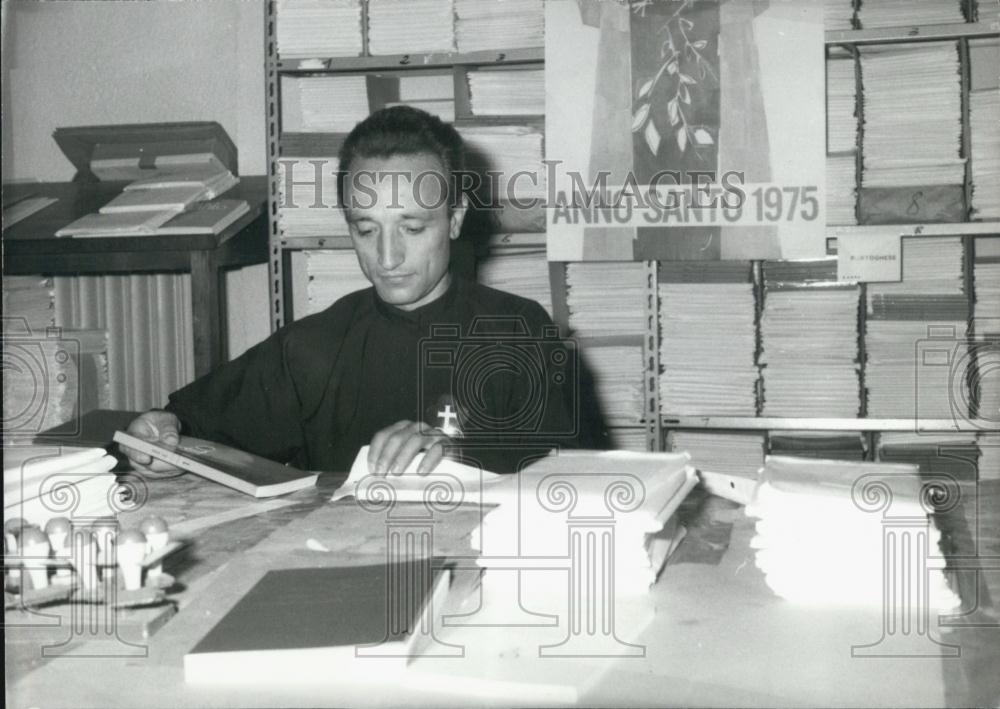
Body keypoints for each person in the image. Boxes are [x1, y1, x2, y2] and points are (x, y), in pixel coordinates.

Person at [122, 106, 600, 478]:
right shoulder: (313, 346)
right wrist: (162, 436)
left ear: (454, 220)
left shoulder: (520, 334)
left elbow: (571, 477)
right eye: (366, 229)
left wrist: (457, 457)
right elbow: (190, 424)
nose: (387, 258)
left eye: (412, 228)